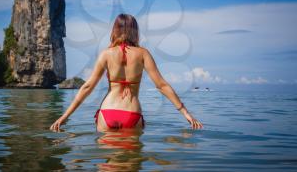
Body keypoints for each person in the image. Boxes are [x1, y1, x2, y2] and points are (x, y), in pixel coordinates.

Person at [50, 13, 203, 132]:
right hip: (132, 114)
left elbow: (88, 87)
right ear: (135, 31)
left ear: (115, 30)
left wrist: (65, 117)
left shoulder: (106, 54)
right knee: (131, 165)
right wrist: (185, 113)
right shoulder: (143, 53)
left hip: (107, 112)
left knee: (109, 168)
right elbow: (162, 85)